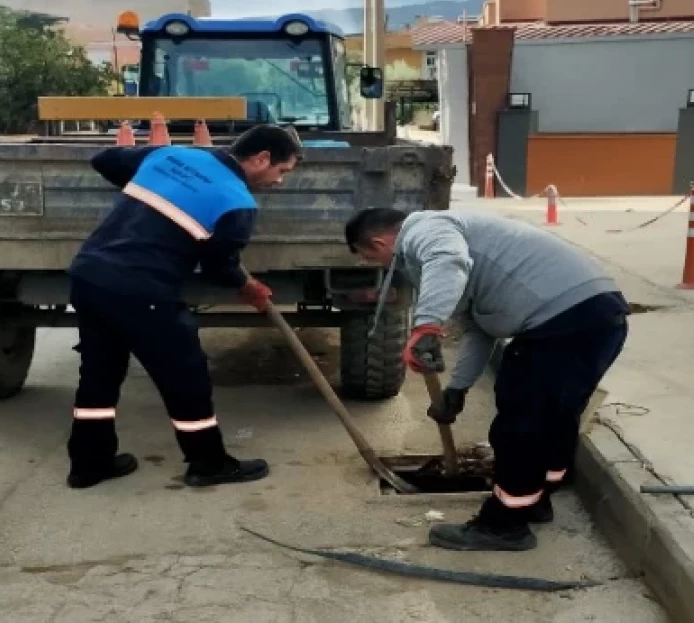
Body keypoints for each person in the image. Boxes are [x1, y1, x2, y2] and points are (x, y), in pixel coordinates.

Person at [343, 208, 630, 551]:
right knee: (556, 417)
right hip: (598, 318)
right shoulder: (472, 246)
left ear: (379, 242)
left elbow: (447, 259)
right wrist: (458, 389)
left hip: (561, 323)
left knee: (518, 426)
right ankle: (535, 499)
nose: (380, 267)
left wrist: (426, 325)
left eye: (370, 257)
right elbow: (480, 330)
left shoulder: (424, 228)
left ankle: (504, 526)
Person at [64, 124, 303, 490]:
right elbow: (218, 267)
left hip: (89, 274)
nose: (279, 182)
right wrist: (248, 286)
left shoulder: (172, 155)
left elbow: (104, 160)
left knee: (99, 371)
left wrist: (157, 190)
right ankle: (208, 463)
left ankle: (88, 464)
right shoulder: (237, 202)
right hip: (141, 288)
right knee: (185, 375)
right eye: (281, 171)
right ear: (261, 158)